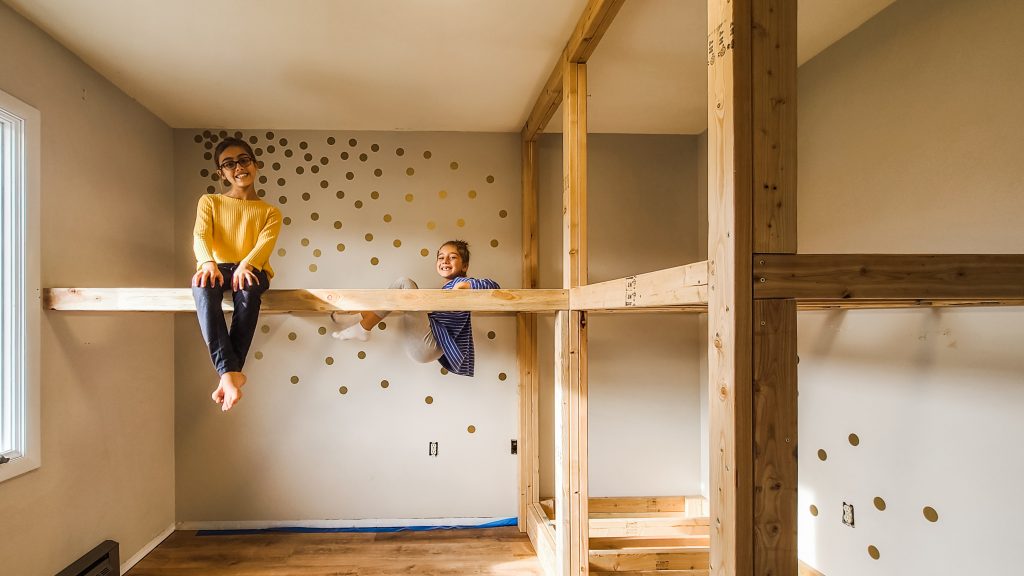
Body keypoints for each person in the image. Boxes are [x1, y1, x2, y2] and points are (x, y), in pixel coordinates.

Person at [192, 137, 282, 411]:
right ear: (221, 173)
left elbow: (264, 245)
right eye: (229, 164)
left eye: (244, 160)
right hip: (217, 267)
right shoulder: (210, 202)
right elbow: (200, 234)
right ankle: (231, 374)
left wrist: (247, 264)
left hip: (252, 268)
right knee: (203, 288)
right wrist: (207, 262)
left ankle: (227, 374)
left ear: (255, 165)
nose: (238, 167)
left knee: (249, 291)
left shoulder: (270, 211)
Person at [332, 240, 498, 377]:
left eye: (452, 257)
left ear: (465, 266)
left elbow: (493, 285)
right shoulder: (444, 289)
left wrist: (467, 284)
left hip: (431, 344)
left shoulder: (464, 286)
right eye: (441, 257)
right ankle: (359, 322)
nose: (445, 261)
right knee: (399, 293)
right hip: (426, 344)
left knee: (405, 284)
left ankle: (362, 326)